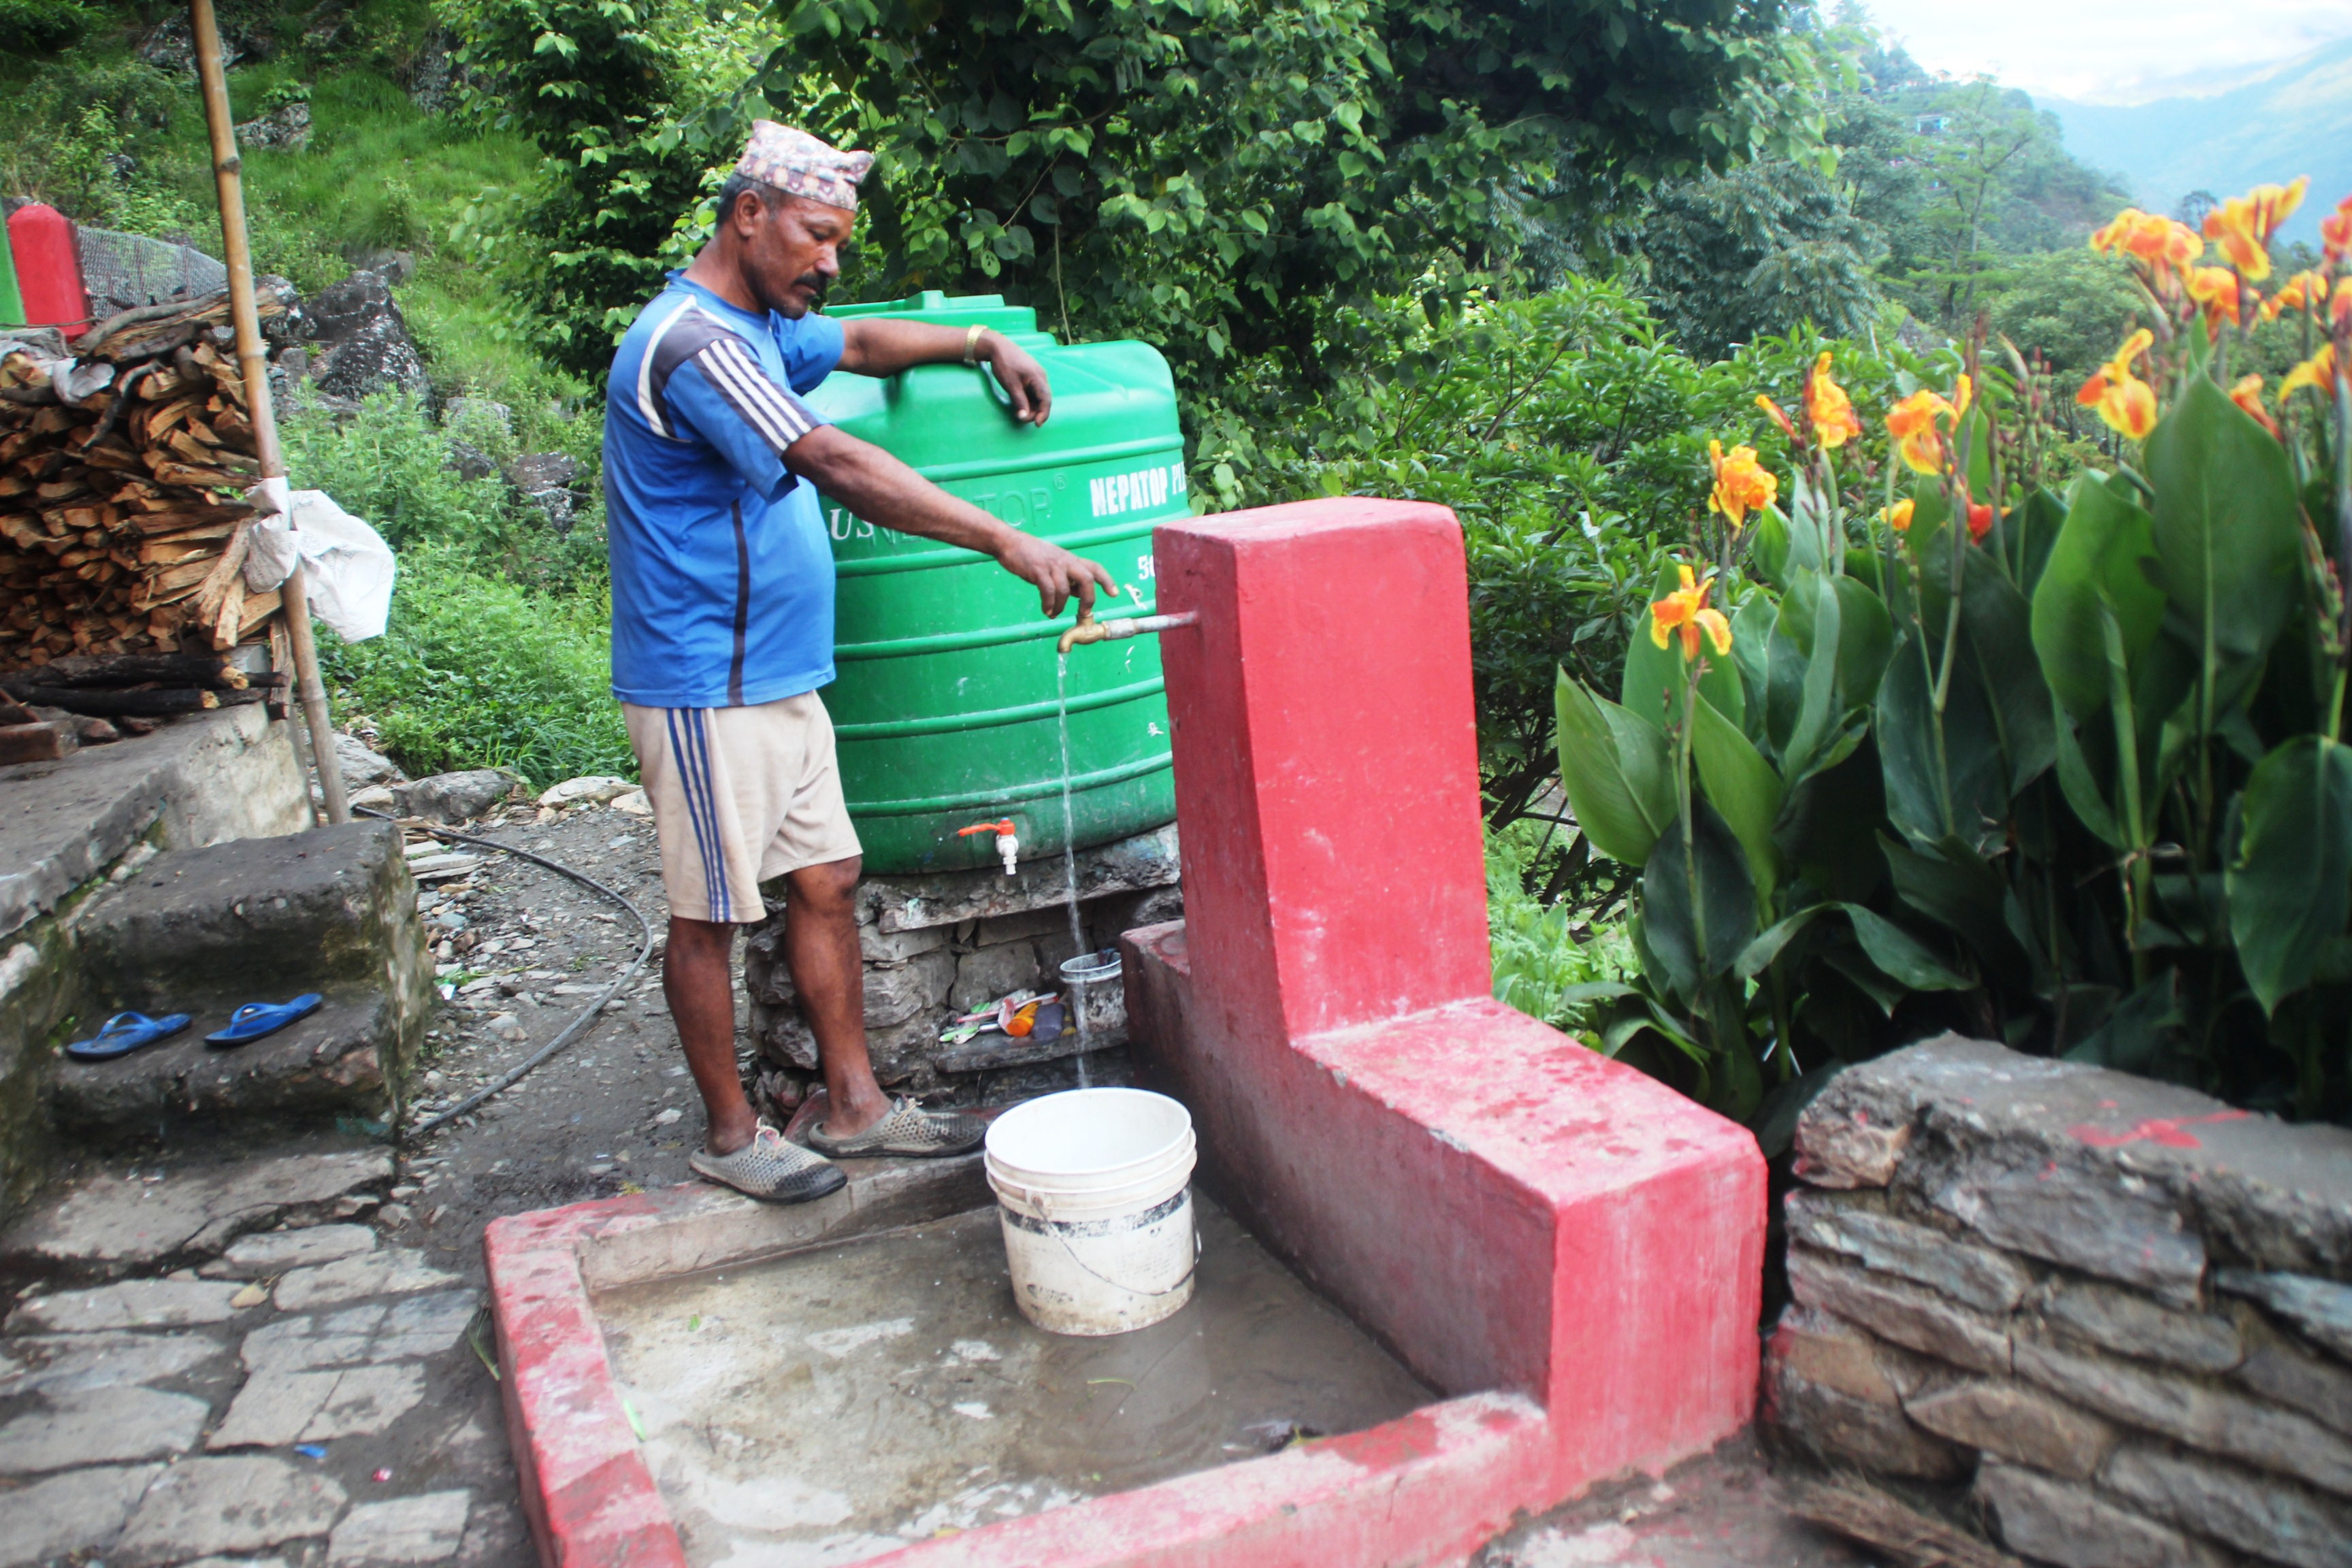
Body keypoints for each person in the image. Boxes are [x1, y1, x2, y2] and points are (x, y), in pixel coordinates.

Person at [603, 122, 1115, 1203]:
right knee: (709, 912)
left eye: (840, 243)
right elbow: (829, 457)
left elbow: (868, 345)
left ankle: (856, 1108)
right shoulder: (692, 343)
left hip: (782, 675)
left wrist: (979, 341)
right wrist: (1005, 537)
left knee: (828, 879)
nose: (830, 264)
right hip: (707, 682)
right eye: (817, 237)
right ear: (750, 214)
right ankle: (733, 1136)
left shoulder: (756, 323)